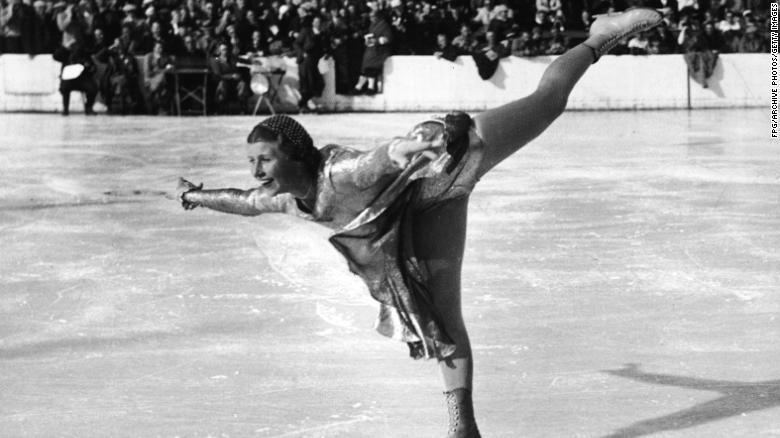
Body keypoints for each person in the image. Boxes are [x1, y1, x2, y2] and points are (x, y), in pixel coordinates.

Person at [176, 8, 663, 438]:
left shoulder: (339, 174)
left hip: (448, 161)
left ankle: (599, 36)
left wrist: (409, 146)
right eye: (252, 162)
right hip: (428, 215)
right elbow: (243, 201)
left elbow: (379, 159)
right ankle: (463, 428)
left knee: (550, 99)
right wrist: (197, 196)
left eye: (263, 159)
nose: (256, 172)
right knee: (443, 322)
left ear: (294, 154)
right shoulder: (284, 200)